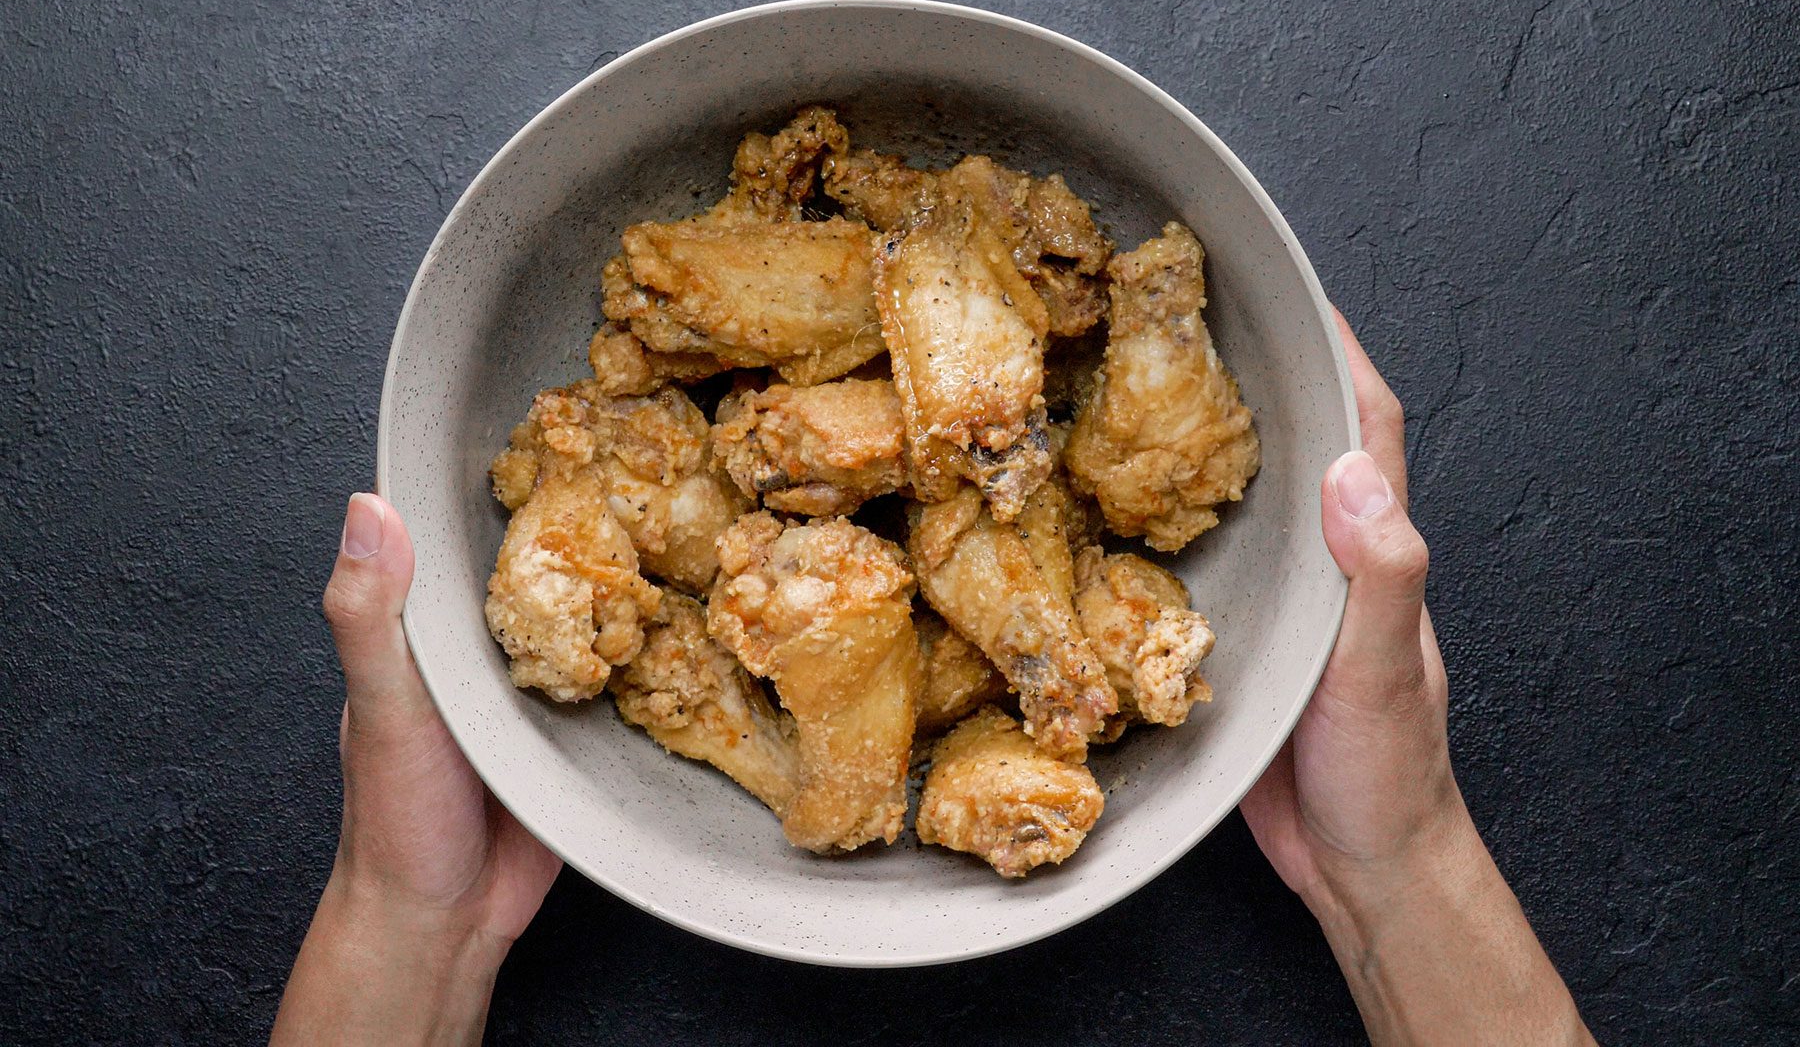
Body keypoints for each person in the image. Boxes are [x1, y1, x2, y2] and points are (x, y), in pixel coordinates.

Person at [272, 316, 1596, 1045]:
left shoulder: (972, 539)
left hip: (937, 600)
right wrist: (1402, 865)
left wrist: (408, 922)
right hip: (868, 608)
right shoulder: (830, 541)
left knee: (948, 560)